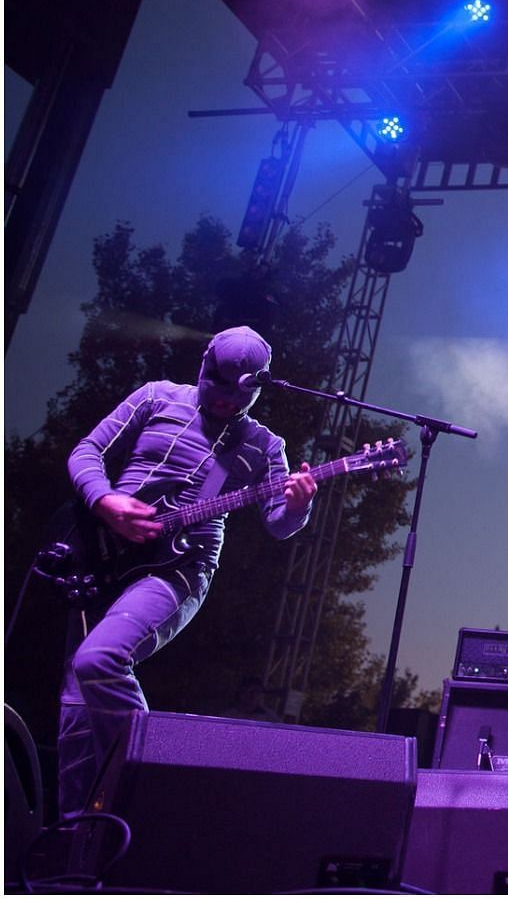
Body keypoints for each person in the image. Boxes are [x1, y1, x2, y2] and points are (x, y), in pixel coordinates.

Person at [58, 327, 317, 816]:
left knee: (100, 660)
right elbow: (85, 452)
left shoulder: (263, 445)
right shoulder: (155, 397)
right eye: (216, 390)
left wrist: (299, 506)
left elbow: (278, 525)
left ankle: (151, 796)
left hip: (178, 569)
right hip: (100, 554)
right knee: (76, 702)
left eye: (236, 396)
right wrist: (106, 500)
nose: (222, 403)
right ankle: (73, 848)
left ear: (256, 388)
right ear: (203, 369)